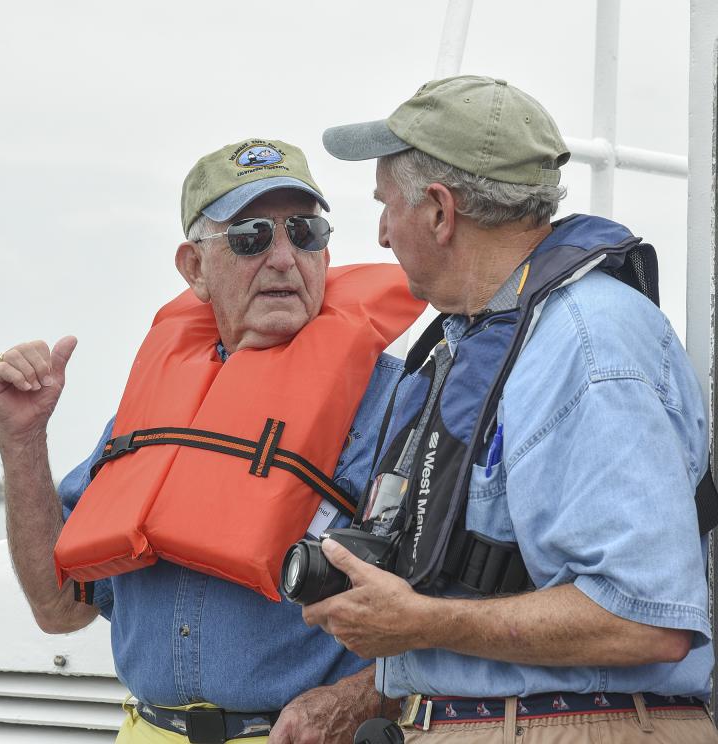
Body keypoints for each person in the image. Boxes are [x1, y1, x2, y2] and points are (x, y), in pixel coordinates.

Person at [301, 76, 718, 743]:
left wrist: (421, 622)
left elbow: (647, 619)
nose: (381, 236)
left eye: (387, 206)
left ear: (440, 211)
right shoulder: (482, 342)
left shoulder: (591, 341)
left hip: (578, 727)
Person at [0, 138, 422, 743]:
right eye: (251, 237)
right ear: (194, 268)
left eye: (305, 232)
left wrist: (358, 697)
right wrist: (22, 438)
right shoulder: (149, 414)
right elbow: (58, 608)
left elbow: (455, 609)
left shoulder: (402, 404)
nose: (284, 258)